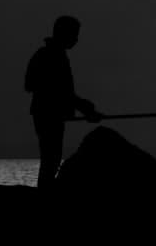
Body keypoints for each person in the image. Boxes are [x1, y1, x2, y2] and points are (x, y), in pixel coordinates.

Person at [25, 15, 102, 189]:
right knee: (51, 159)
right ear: (64, 34)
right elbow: (60, 92)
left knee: (50, 159)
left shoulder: (49, 55)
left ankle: (45, 190)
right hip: (48, 116)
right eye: (74, 34)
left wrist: (84, 107)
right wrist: (85, 108)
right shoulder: (53, 56)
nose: (76, 39)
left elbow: (56, 91)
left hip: (47, 114)